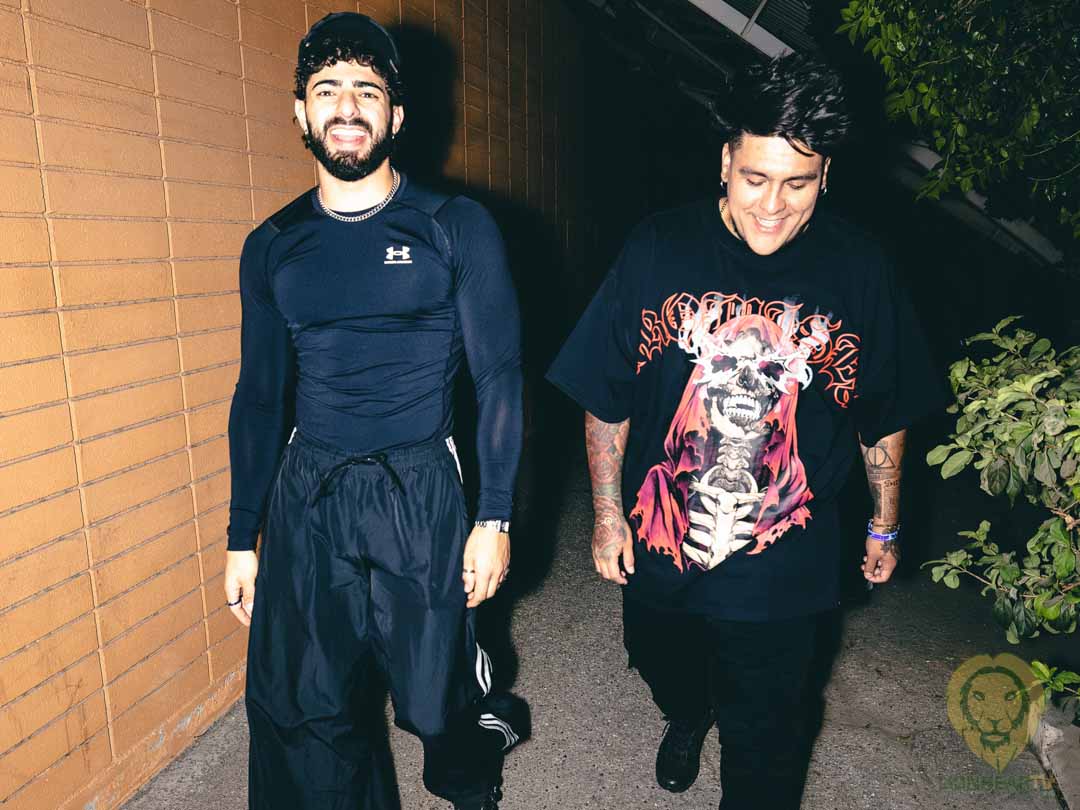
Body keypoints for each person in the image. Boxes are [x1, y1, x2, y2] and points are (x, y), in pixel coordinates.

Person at [546, 53, 941, 809]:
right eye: (755, 178)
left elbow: (883, 412)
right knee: (659, 659)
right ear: (725, 162)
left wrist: (885, 525)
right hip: (665, 539)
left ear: (826, 175)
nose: (773, 205)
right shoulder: (658, 248)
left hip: (788, 562)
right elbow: (605, 393)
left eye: (798, 183)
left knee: (767, 740)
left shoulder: (860, 268)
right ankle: (689, 712)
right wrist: (605, 516)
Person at [223, 13, 528, 810]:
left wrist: (493, 518)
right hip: (310, 493)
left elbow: (499, 376)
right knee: (301, 707)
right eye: (328, 89)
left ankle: (477, 754)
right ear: (301, 112)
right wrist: (242, 535)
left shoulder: (454, 226)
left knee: (435, 705)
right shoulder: (272, 244)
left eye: (367, 90)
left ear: (396, 114)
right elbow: (259, 394)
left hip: (418, 489)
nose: (347, 106)